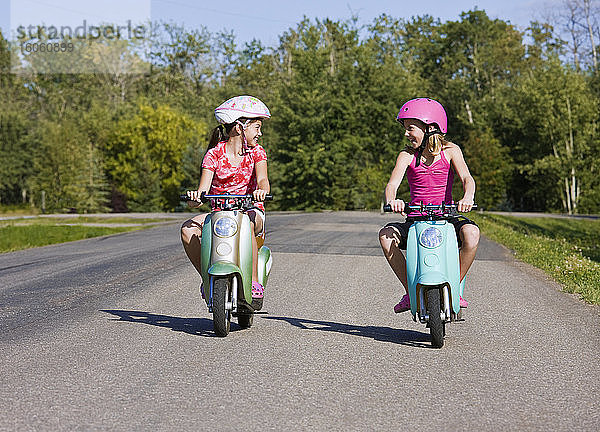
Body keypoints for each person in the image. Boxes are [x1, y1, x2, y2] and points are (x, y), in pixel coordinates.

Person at [378, 97, 480, 313]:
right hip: (416, 218)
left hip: (446, 217)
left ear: (430, 128)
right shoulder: (407, 155)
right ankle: (410, 290)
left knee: (471, 234)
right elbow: (392, 184)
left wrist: (467, 196)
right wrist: (392, 200)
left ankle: (455, 287)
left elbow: (467, 179)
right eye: (405, 129)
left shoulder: (451, 150)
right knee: (385, 236)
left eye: (411, 128)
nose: (406, 134)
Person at [181, 95, 271, 300]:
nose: (260, 133)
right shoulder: (214, 154)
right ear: (240, 128)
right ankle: (207, 278)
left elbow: (263, 179)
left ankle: (254, 281)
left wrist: (261, 191)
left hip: (250, 210)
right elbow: (202, 190)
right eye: (257, 127)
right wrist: (196, 198)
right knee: (187, 230)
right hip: (220, 214)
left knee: (246, 222)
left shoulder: (256, 153)